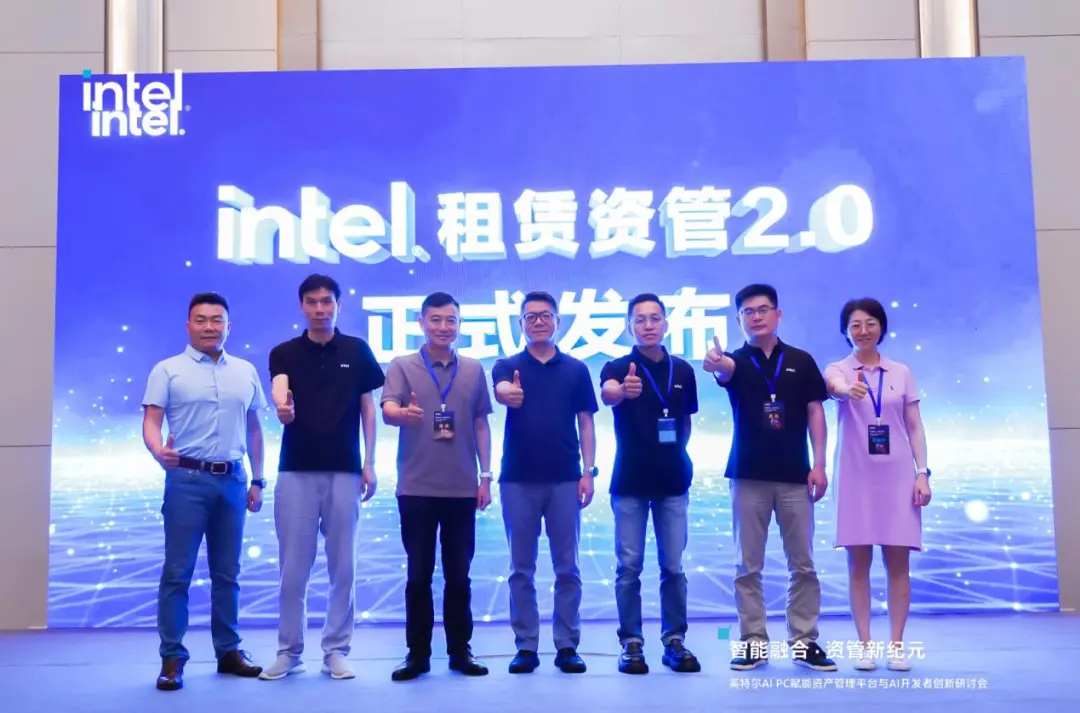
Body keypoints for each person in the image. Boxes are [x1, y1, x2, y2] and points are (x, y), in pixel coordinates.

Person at [703, 283, 836, 672]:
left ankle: (804, 641)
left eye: (763, 309)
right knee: (748, 566)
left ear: (778, 314)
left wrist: (820, 464)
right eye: (748, 312)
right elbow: (724, 371)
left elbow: (816, 412)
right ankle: (753, 643)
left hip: (796, 476)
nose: (756, 317)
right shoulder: (735, 361)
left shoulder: (801, 360)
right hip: (748, 475)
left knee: (803, 564)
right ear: (739, 320)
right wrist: (716, 362)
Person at [260, 274, 384, 681]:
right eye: (312, 302)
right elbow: (280, 389)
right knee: (293, 569)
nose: (319, 309)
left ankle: (335, 650)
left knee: (343, 567)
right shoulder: (284, 353)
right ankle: (289, 651)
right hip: (296, 470)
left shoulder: (356, 350)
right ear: (302, 306)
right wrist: (283, 407)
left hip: (346, 470)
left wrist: (370, 462)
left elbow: (368, 408)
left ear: (338, 305)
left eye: (326, 301)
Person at [141, 292, 267, 691]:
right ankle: (172, 658)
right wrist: (158, 450)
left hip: (234, 480)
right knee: (177, 572)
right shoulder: (167, 370)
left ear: (228, 326)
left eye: (217, 320)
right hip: (187, 479)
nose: (209, 327)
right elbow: (151, 421)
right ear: (188, 325)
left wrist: (258, 479)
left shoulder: (245, 370)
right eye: (201, 320)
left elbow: (254, 429)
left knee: (228, 573)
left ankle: (228, 651)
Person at [380, 291, 493, 681]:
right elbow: (388, 410)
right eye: (436, 320)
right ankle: (417, 654)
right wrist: (403, 414)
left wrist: (485, 476)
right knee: (418, 576)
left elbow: (481, 423)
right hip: (416, 488)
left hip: (462, 488)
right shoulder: (402, 365)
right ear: (422, 322)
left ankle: (460, 651)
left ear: (459, 324)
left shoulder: (474, 369)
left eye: (451, 320)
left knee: (459, 576)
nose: (444, 327)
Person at [492, 291, 598, 675]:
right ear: (520, 324)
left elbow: (586, 421)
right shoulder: (507, 365)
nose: (538, 322)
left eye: (545, 315)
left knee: (567, 568)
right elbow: (500, 390)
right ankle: (526, 646)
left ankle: (567, 645)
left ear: (558, 322)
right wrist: (507, 392)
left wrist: (589, 470)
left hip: (566, 479)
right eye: (531, 316)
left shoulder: (576, 369)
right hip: (517, 480)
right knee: (521, 568)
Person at [823, 298, 931, 672]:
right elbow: (834, 387)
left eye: (870, 323)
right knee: (859, 564)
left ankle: (897, 645)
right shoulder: (838, 368)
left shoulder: (900, 372)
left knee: (898, 563)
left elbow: (914, 426)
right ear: (845, 331)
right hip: (856, 477)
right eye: (855, 325)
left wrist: (923, 472)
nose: (863, 331)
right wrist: (845, 391)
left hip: (898, 476)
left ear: (881, 327)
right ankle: (864, 645)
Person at [599, 293, 702, 675]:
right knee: (629, 567)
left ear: (666, 324)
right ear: (629, 326)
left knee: (673, 567)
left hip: (673, 481)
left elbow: (685, 422)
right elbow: (607, 394)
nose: (647, 325)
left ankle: (674, 640)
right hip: (630, 481)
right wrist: (620, 391)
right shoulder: (617, 366)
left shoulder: (683, 370)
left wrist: (679, 457)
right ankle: (631, 643)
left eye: (654, 318)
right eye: (640, 319)